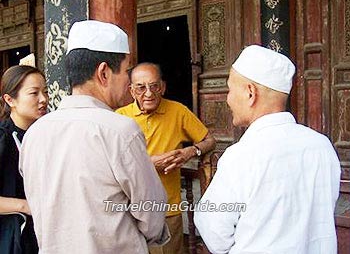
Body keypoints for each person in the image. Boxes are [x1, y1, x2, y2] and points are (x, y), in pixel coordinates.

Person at [19, 20, 169, 253]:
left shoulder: (35, 133)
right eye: (127, 70)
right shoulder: (120, 131)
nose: (129, 81)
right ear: (104, 72)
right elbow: (151, 213)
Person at [194, 45, 341, 254]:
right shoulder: (321, 146)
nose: (227, 99)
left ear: (250, 93)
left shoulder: (241, 156)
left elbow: (214, 230)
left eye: (230, 89)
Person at [117, 62, 216, 254]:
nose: (148, 93)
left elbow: (209, 141)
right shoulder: (120, 117)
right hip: (129, 209)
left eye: (154, 86)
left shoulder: (177, 111)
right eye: (141, 87)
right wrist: (149, 164)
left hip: (168, 209)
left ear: (163, 87)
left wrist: (191, 151)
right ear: (131, 90)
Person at [0, 65, 48, 253]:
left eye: (45, 91)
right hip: (14, 239)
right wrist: (26, 206)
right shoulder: (3, 138)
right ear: (10, 99)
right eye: (34, 93)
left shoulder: (47, 134)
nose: (43, 99)